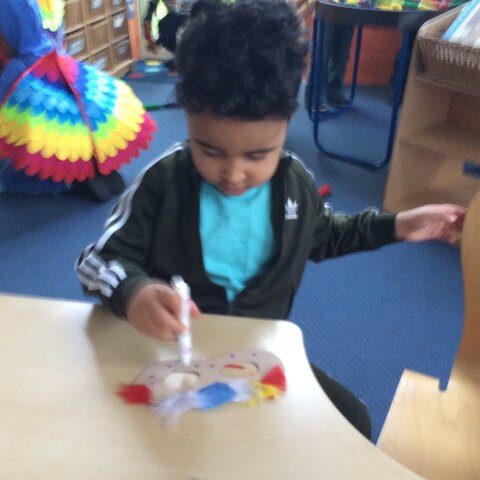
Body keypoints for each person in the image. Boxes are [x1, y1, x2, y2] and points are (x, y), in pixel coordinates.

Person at [76, 0, 465, 439]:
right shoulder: (162, 183)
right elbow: (96, 261)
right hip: (171, 362)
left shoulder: (294, 184)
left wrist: (397, 225)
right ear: (188, 121)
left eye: (258, 154)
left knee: (352, 422)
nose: (233, 174)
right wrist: (134, 291)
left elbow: (323, 236)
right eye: (210, 150)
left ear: (285, 126)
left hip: (254, 357)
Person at [0, 0, 156, 199]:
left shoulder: (18, 72)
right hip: (77, 122)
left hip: (50, 137)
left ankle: (66, 178)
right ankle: (86, 169)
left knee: (16, 139)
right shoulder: (48, 46)